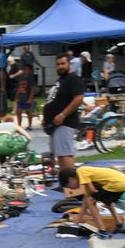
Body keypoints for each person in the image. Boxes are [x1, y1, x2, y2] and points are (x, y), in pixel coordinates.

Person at [41, 53, 86, 187]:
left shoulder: (73, 79)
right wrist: (46, 118)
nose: (60, 66)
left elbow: (78, 98)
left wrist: (62, 115)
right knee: (61, 155)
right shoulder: (60, 80)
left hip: (65, 123)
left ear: (69, 64)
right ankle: (66, 185)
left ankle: (73, 187)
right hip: (54, 124)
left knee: (65, 154)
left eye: (63, 63)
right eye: (58, 64)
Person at [62, 164, 125, 231]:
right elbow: (85, 202)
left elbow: (92, 191)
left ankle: (102, 230)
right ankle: (119, 225)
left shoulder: (81, 171)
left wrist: (94, 210)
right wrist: (76, 222)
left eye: (69, 186)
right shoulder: (88, 175)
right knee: (107, 202)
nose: (71, 189)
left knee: (90, 201)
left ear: (70, 179)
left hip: (117, 183)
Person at [8, 54, 35, 129]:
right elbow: (18, 89)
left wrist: (30, 99)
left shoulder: (30, 78)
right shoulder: (21, 78)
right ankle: (19, 125)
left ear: (30, 70)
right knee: (18, 112)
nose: (25, 70)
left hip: (27, 98)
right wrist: (16, 98)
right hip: (21, 98)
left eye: (26, 69)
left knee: (28, 112)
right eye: (24, 69)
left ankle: (30, 125)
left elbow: (32, 89)